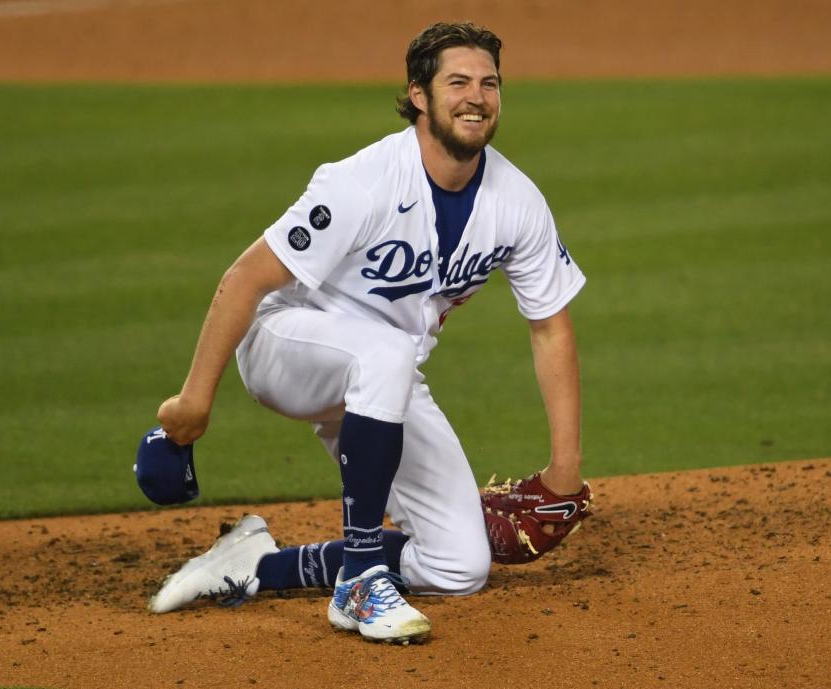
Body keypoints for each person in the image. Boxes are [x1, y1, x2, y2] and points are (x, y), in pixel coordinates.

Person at [147, 21, 587, 645]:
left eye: (489, 83)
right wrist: (193, 401)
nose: (477, 96)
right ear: (417, 94)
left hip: (384, 379)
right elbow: (245, 278)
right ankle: (358, 581)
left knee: (460, 565)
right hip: (284, 343)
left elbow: (550, 328)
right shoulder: (364, 181)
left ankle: (255, 564)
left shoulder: (516, 202)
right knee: (386, 351)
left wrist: (565, 469)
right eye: (457, 81)